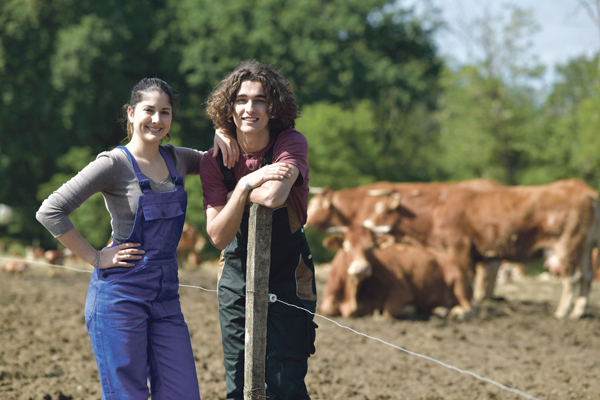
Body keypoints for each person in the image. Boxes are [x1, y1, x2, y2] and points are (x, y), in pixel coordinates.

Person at [35, 77, 289, 399]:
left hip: (166, 298)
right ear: (131, 113)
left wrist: (223, 132)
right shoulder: (113, 164)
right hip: (120, 298)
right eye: (148, 110)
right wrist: (97, 257)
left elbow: (218, 160)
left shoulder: (178, 159)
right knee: (129, 394)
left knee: (182, 392)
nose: (157, 120)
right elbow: (50, 211)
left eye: (165, 112)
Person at [201, 60, 318, 400]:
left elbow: (274, 195)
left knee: (286, 381)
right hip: (235, 275)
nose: (249, 108)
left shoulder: (290, 143)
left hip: (290, 273)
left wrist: (246, 189)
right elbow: (219, 236)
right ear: (229, 107)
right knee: (238, 383)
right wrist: (245, 185)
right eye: (240, 100)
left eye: (260, 100)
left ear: (273, 107)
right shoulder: (214, 161)